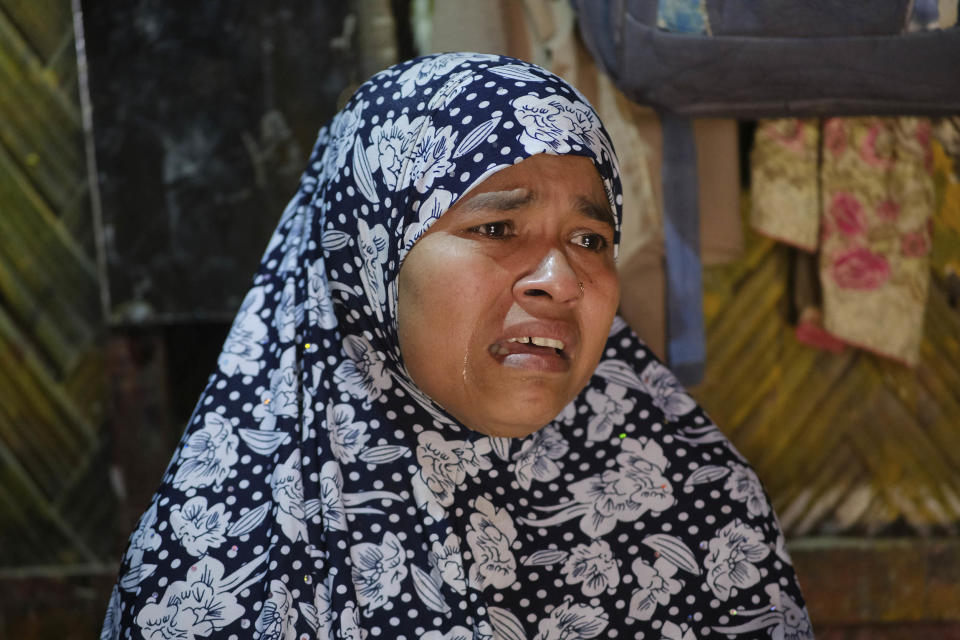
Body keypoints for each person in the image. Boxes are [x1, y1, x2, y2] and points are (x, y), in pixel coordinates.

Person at [101, 53, 814, 640]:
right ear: (371, 264)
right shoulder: (220, 570)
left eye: (589, 239)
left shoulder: (701, 510)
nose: (560, 280)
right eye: (499, 230)